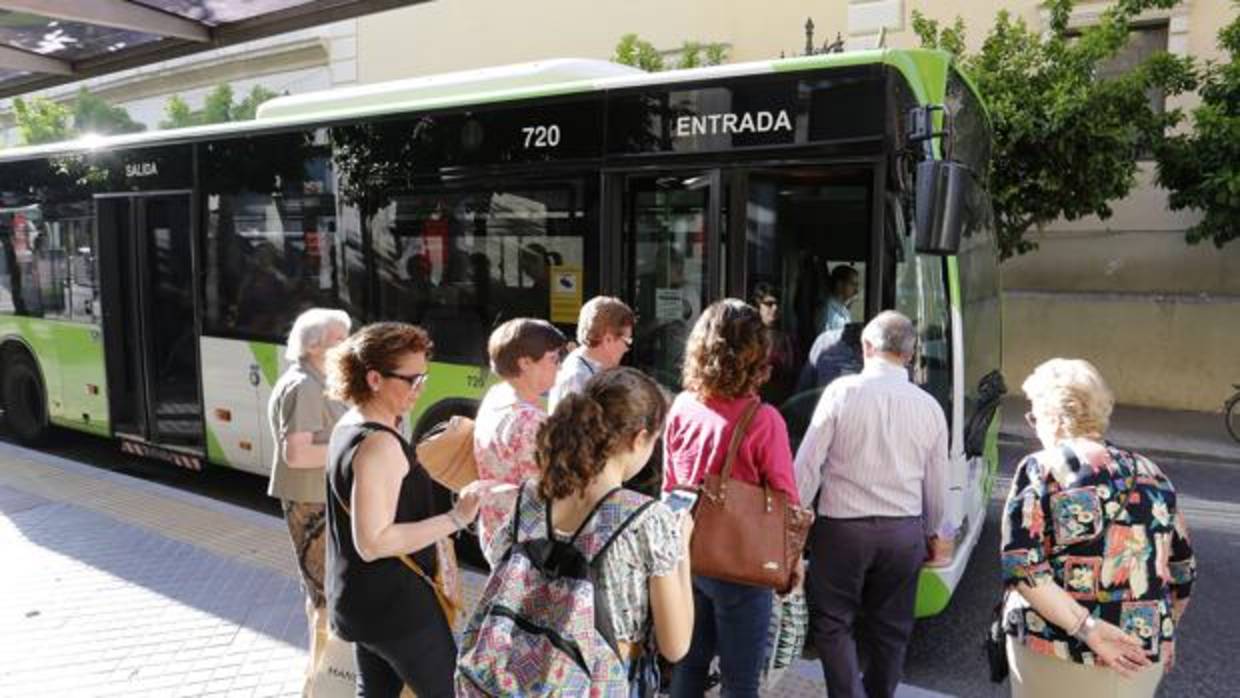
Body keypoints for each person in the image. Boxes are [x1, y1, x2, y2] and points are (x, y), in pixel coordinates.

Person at [466, 368, 696, 694]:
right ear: (639, 438)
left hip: (519, 678)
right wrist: (681, 546)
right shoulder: (648, 520)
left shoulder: (533, 495)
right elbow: (676, 645)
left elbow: (499, 566)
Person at [1000, 359, 1196, 698]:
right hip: (1139, 652)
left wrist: (1086, 627)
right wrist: (1166, 630)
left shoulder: (1043, 468)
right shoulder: (1152, 472)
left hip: (1057, 650)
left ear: (1054, 417)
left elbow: (1022, 567)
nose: (1034, 427)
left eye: (1034, 417)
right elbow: (1183, 568)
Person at [323, 322, 492, 697]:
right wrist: (456, 518)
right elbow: (373, 542)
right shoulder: (379, 445)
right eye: (412, 379)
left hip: (362, 599)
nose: (421, 388)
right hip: (396, 607)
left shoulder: (348, 426)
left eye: (424, 378)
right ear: (374, 379)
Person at [792, 310, 954, 698]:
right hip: (903, 533)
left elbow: (808, 465)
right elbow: (937, 483)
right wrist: (938, 531)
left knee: (833, 622)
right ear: (910, 355)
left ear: (866, 346)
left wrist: (793, 519)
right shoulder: (930, 407)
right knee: (892, 629)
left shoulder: (841, 392)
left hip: (841, 531)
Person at [664, 299, 801, 698]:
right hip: (741, 566)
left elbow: (670, 483)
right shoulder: (764, 420)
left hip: (687, 555)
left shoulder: (682, 406)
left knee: (688, 666)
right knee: (740, 682)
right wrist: (794, 563)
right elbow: (786, 501)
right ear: (757, 356)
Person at [266, 308, 351, 697]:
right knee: (325, 599)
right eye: (340, 339)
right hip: (311, 501)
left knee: (322, 595)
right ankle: (322, 685)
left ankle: (321, 681)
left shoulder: (317, 380)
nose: (348, 345)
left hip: (320, 497)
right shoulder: (305, 386)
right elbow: (297, 454)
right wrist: (353, 445)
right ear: (315, 346)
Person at [473, 317, 567, 552]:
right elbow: (552, 490)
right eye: (553, 359)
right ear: (525, 363)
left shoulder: (496, 395)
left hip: (494, 529)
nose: (559, 367)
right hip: (527, 543)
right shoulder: (531, 422)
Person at [548, 296, 634, 412]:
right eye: (627, 341)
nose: (626, 349)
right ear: (608, 339)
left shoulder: (587, 368)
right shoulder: (578, 379)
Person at [751, 283, 798, 407]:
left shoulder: (786, 339)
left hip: (779, 404)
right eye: (769, 304)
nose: (775, 308)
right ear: (758, 305)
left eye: (777, 304)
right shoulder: (748, 337)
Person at [819, 265, 859, 335]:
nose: (856, 290)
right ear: (839, 284)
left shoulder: (842, 309)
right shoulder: (827, 311)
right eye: (852, 284)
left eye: (856, 285)